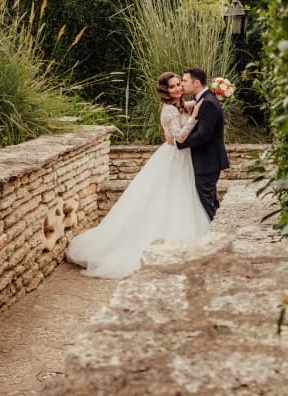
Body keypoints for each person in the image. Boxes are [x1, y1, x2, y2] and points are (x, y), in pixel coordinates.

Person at [66, 72, 211, 278]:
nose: (178, 88)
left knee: (178, 199)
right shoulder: (169, 110)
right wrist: (195, 116)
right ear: (165, 91)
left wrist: (207, 98)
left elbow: (191, 105)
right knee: (165, 199)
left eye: (179, 84)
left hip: (182, 160)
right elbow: (178, 137)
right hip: (173, 158)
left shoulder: (180, 105)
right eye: (172, 87)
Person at [175, 67, 229, 220]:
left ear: (196, 82)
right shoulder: (203, 99)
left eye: (185, 81)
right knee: (210, 202)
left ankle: (215, 236)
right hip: (207, 161)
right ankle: (217, 232)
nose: (182, 84)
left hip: (207, 162)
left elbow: (203, 136)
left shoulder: (208, 103)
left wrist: (179, 143)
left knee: (206, 204)